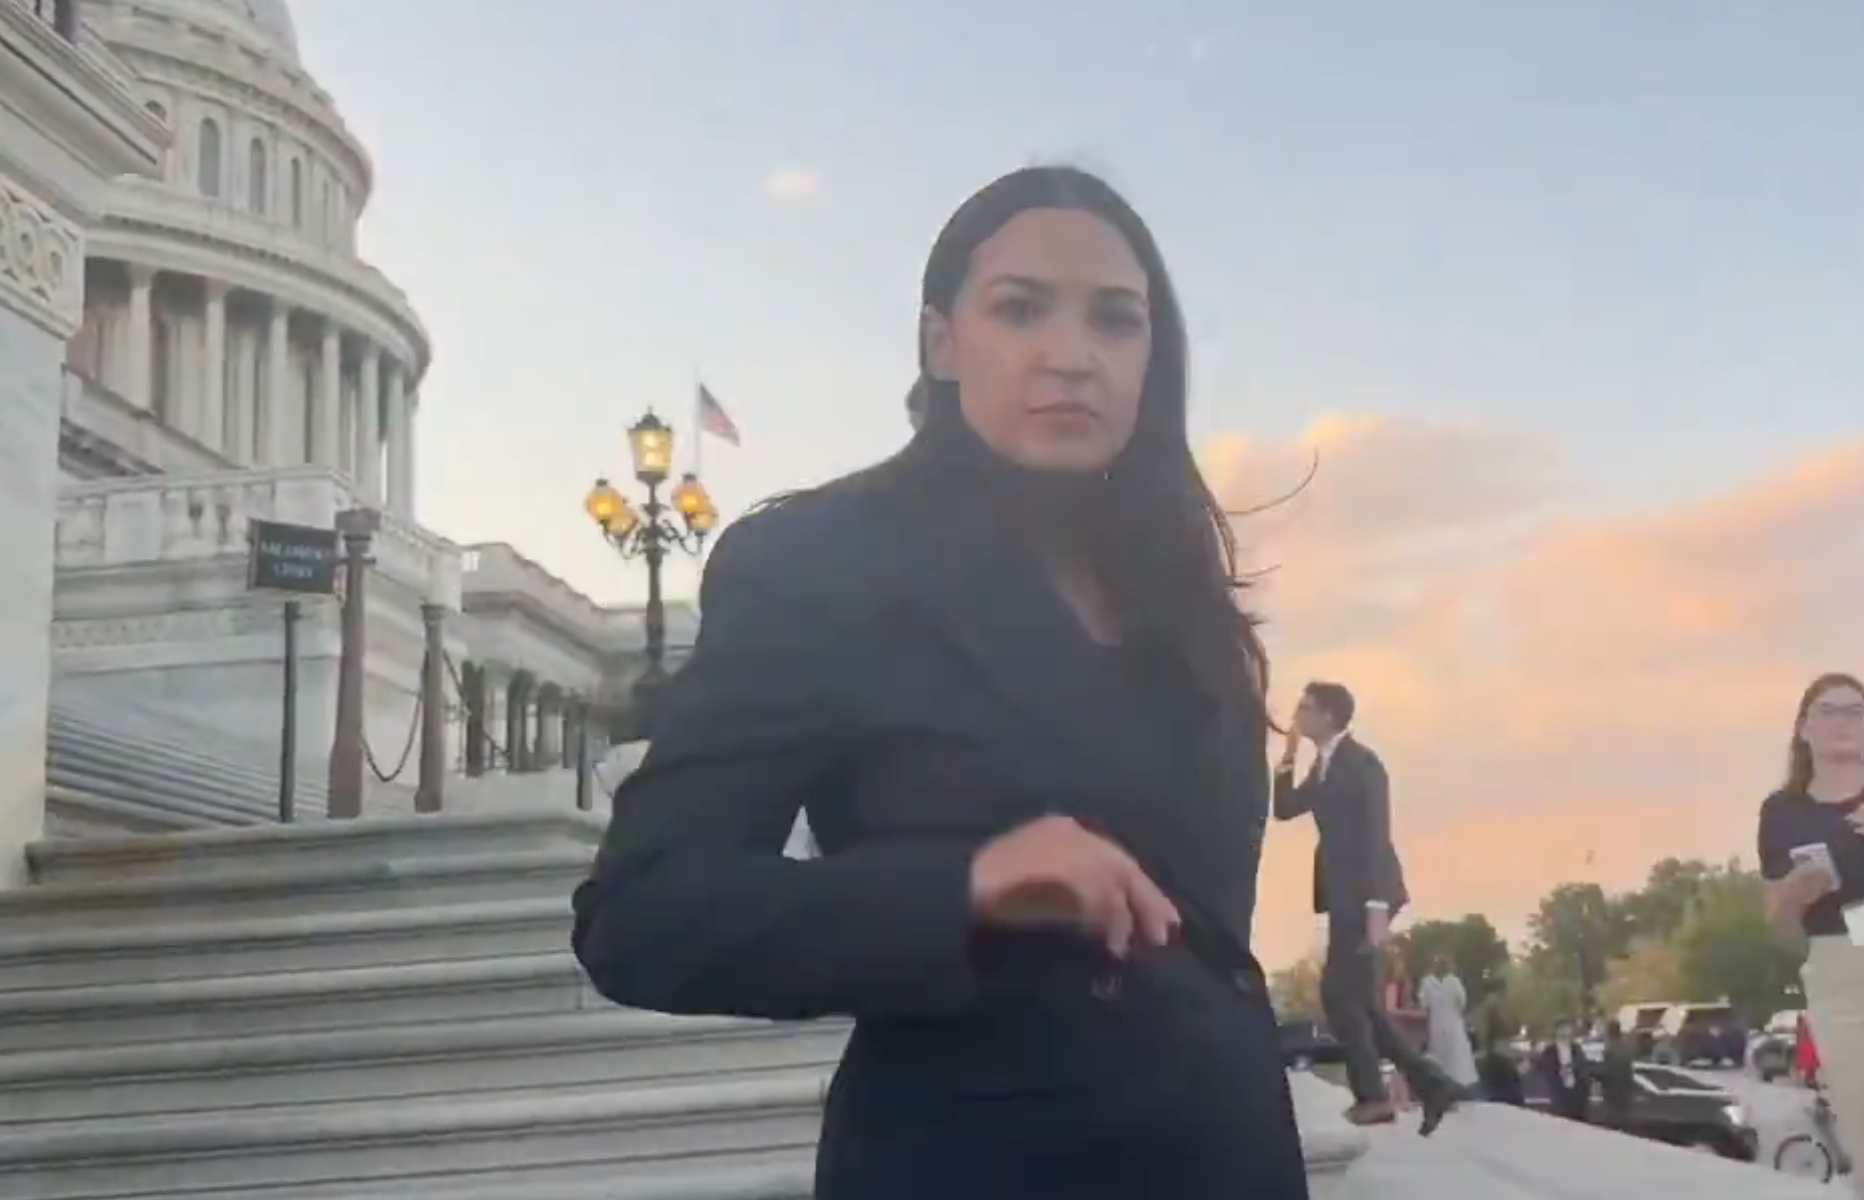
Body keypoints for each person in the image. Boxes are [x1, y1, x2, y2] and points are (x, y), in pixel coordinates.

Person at [570, 165, 1310, 1200]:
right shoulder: (823, 563)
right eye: (1020, 308)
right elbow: (642, 915)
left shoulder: (1179, 588)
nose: (1072, 354)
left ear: (1153, 356)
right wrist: (964, 887)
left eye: (1114, 319)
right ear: (940, 342)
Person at [1274, 681, 1462, 1133]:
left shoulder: (1363, 765)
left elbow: (1378, 835)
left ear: (1328, 715)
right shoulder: (1323, 766)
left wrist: (1377, 909)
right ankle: (1433, 1085)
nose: (1297, 714)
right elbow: (1284, 808)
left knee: (1339, 996)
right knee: (1361, 1004)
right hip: (1343, 896)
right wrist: (1288, 755)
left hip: (1366, 896)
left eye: (1305, 708)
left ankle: (1376, 1097)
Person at [1758, 671, 1864, 1197]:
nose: (1844, 722)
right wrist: (1796, 892)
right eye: (1829, 711)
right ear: (1804, 729)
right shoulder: (1783, 813)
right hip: (1836, 967)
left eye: (1856, 711)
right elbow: (1781, 930)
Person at [1417, 956, 1480, 1089]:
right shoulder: (1454, 981)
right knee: (1456, 1056)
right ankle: (1459, 1085)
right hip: (1452, 1024)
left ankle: (1443, 1084)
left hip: (1436, 1024)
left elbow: (1424, 1004)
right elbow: (1462, 1003)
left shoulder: (1427, 982)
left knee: (1440, 1055)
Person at [1538, 1020, 1593, 1121]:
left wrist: (1584, 1089)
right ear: (1556, 1031)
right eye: (1561, 1028)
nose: (1565, 1031)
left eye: (1567, 1028)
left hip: (1577, 1100)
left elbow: (1584, 1070)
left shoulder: (1577, 1049)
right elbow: (1546, 1071)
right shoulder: (1550, 1051)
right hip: (1560, 1099)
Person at [1596, 1019, 1637, 1130]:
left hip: (1612, 1093)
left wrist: (1595, 1074)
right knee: (1623, 1122)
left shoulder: (1610, 1049)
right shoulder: (1625, 1048)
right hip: (1625, 1092)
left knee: (1611, 1125)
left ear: (1609, 1031)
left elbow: (1607, 1071)